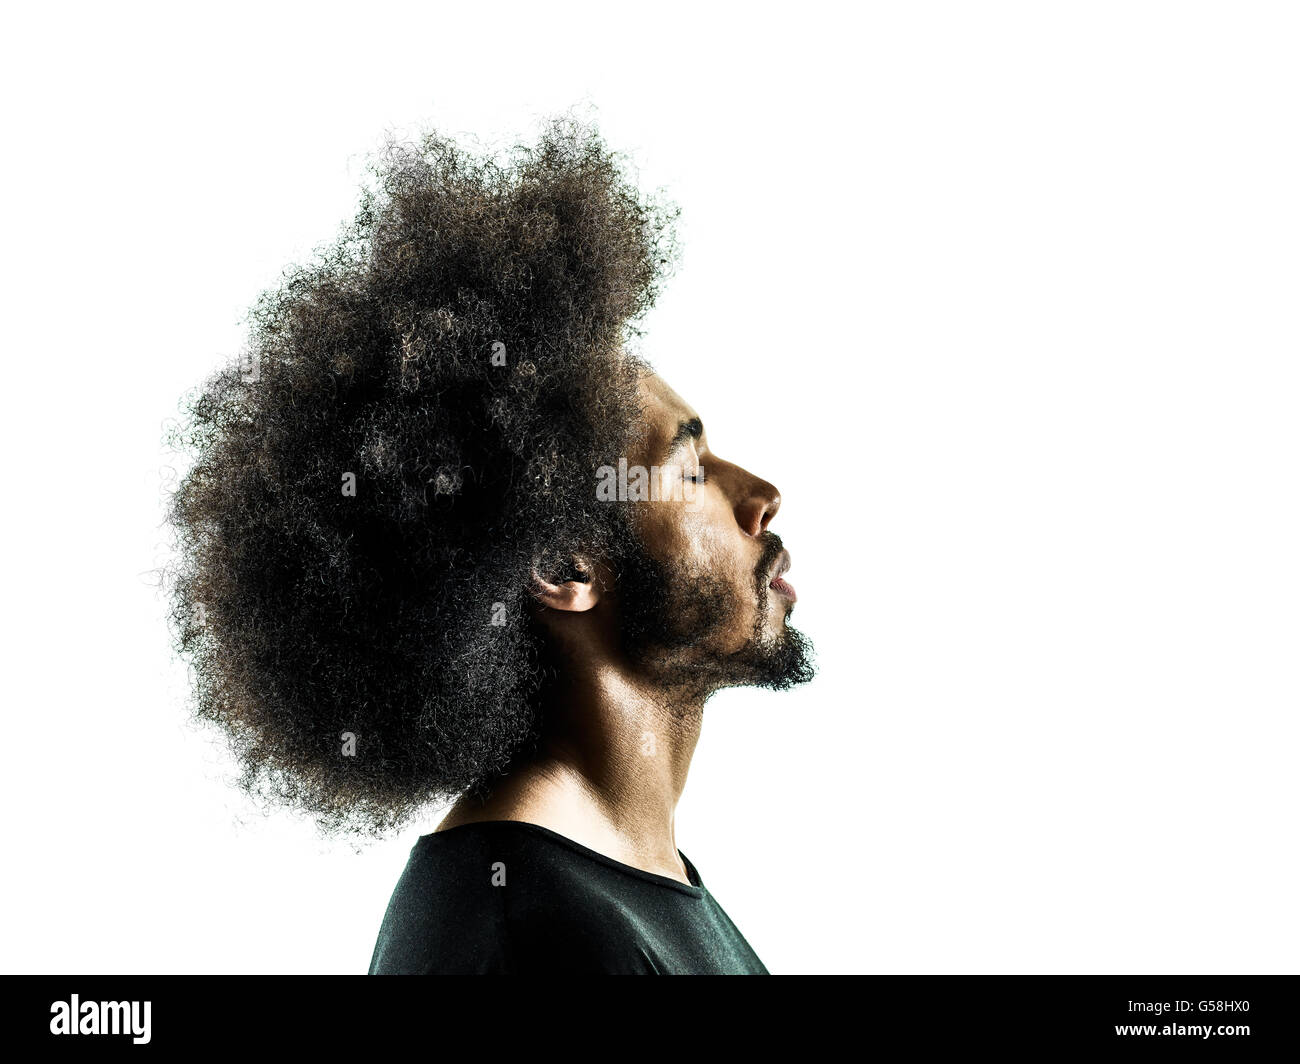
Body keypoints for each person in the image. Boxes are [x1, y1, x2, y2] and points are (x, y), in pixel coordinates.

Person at [166, 116, 814, 974]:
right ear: (565, 567)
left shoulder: (639, 885)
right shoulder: (522, 935)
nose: (761, 498)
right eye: (688, 468)